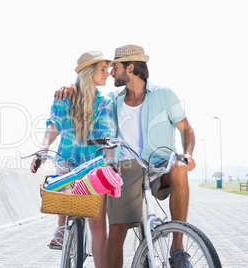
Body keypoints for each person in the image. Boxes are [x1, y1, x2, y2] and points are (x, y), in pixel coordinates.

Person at [55, 44, 196, 268]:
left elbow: (186, 129)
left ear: (130, 68)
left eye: (115, 67)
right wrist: (72, 89)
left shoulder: (164, 95)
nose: (110, 72)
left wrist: (187, 154)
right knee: (117, 230)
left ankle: (177, 250)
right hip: (127, 168)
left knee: (178, 167)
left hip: (158, 166)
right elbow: (89, 93)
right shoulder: (113, 100)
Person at [31, 50, 116, 268]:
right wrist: (43, 149)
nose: (108, 74)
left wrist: (110, 160)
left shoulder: (104, 102)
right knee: (63, 168)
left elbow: (106, 131)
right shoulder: (64, 96)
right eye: (103, 69)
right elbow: (54, 123)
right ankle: (61, 227)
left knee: (98, 226)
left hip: (93, 163)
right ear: (90, 73)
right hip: (67, 159)